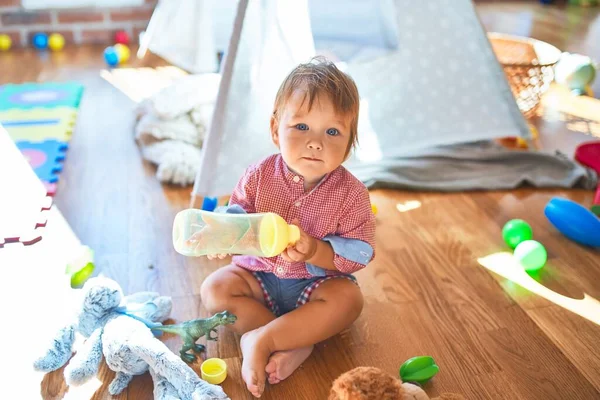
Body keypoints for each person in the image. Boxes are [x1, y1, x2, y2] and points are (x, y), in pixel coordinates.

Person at [200, 56, 376, 398]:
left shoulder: (352, 193)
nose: (315, 142)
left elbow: (360, 251)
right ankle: (295, 340)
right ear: (274, 129)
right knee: (215, 290)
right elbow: (237, 213)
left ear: (350, 143)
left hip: (315, 285)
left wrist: (318, 250)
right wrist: (222, 232)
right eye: (301, 127)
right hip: (259, 277)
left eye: (333, 131)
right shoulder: (259, 174)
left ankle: (263, 338)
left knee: (349, 300)